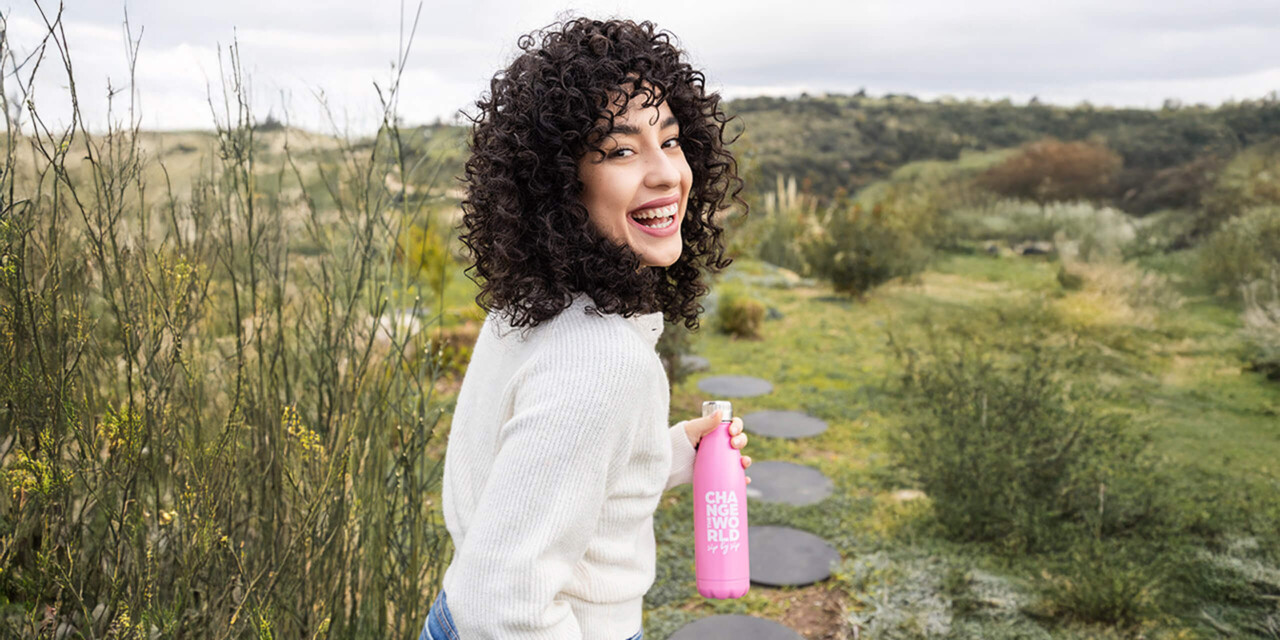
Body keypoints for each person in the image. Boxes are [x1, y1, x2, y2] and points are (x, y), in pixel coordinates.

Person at [419, 15, 752, 640]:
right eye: (621, 150)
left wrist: (676, 450)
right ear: (559, 184)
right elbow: (502, 607)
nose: (666, 175)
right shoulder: (600, 361)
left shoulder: (538, 306)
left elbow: (544, 476)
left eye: (671, 140)